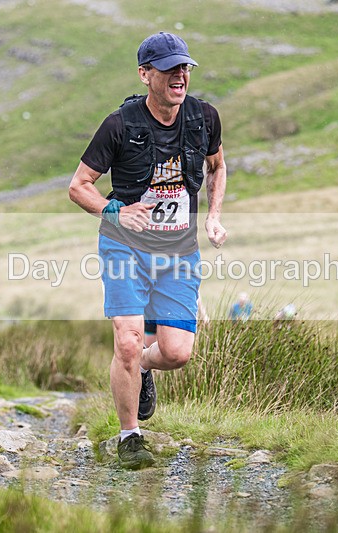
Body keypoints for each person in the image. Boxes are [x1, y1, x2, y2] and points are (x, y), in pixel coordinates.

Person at [69, 32, 227, 470]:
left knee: (176, 352)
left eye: (185, 68)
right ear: (145, 75)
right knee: (127, 340)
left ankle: (141, 368)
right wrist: (115, 213)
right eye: (170, 68)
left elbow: (217, 166)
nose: (181, 75)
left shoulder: (204, 117)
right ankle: (129, 436)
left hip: (178, 253)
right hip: (125, 248)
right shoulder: (119, 125)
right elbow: (78, 187)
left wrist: (212, 216)